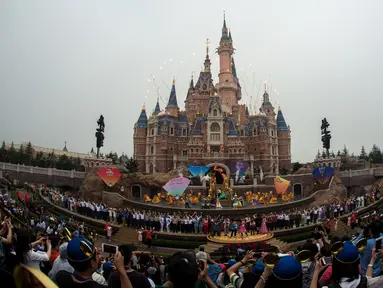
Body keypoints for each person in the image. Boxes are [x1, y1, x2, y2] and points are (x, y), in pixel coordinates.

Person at [56, 237, 132, 288]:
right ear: (92, 263)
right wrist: (122, 270)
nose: (99, 256)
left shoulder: (61, 276)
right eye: (96, 254)